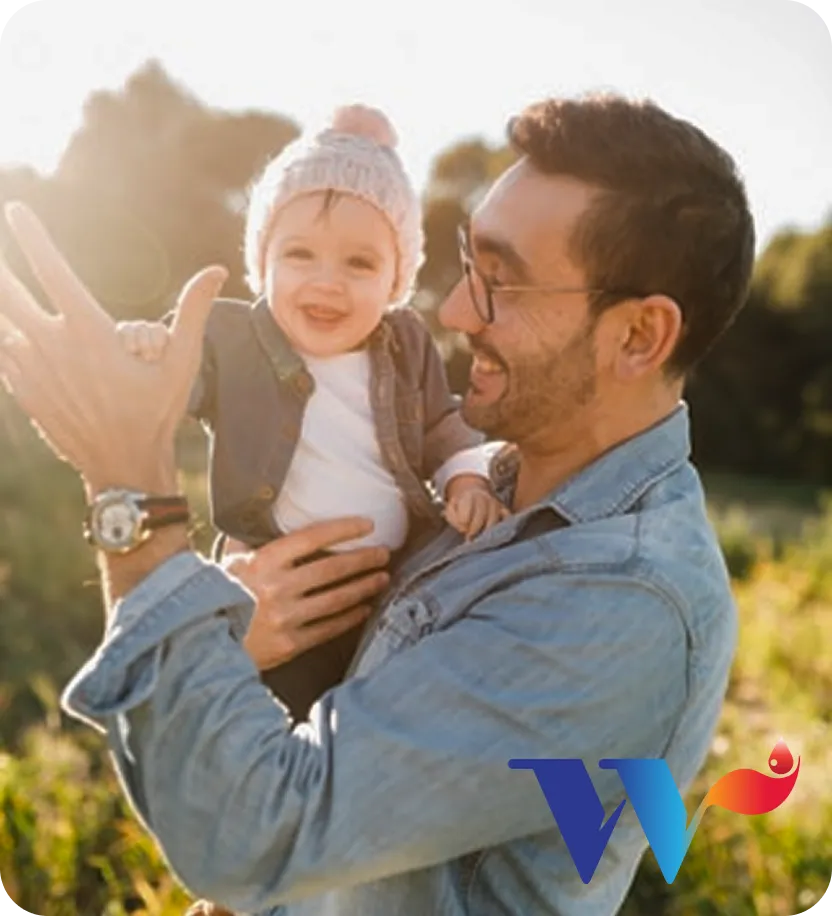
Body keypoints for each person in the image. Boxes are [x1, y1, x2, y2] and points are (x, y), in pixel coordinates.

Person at [0, 92, 756, 916]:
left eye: (501, 282)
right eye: (469, 264)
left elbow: (262, 832)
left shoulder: (621, 601)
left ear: (639, 336)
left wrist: (130, 487)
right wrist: (231, 637)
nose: (457, 310)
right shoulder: (492, 481)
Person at [114, 103, 506, 726]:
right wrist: (148, 349)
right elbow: (172, 384)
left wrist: (466, 479)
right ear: (262, 262)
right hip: (282, 583)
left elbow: (441, 424)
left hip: (393, 585)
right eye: (300, 255)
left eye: (360, 263)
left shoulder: (404, 344)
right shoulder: (232, 339)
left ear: (395, 280)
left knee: (387, 713)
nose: (328, 284)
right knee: (279, 713)